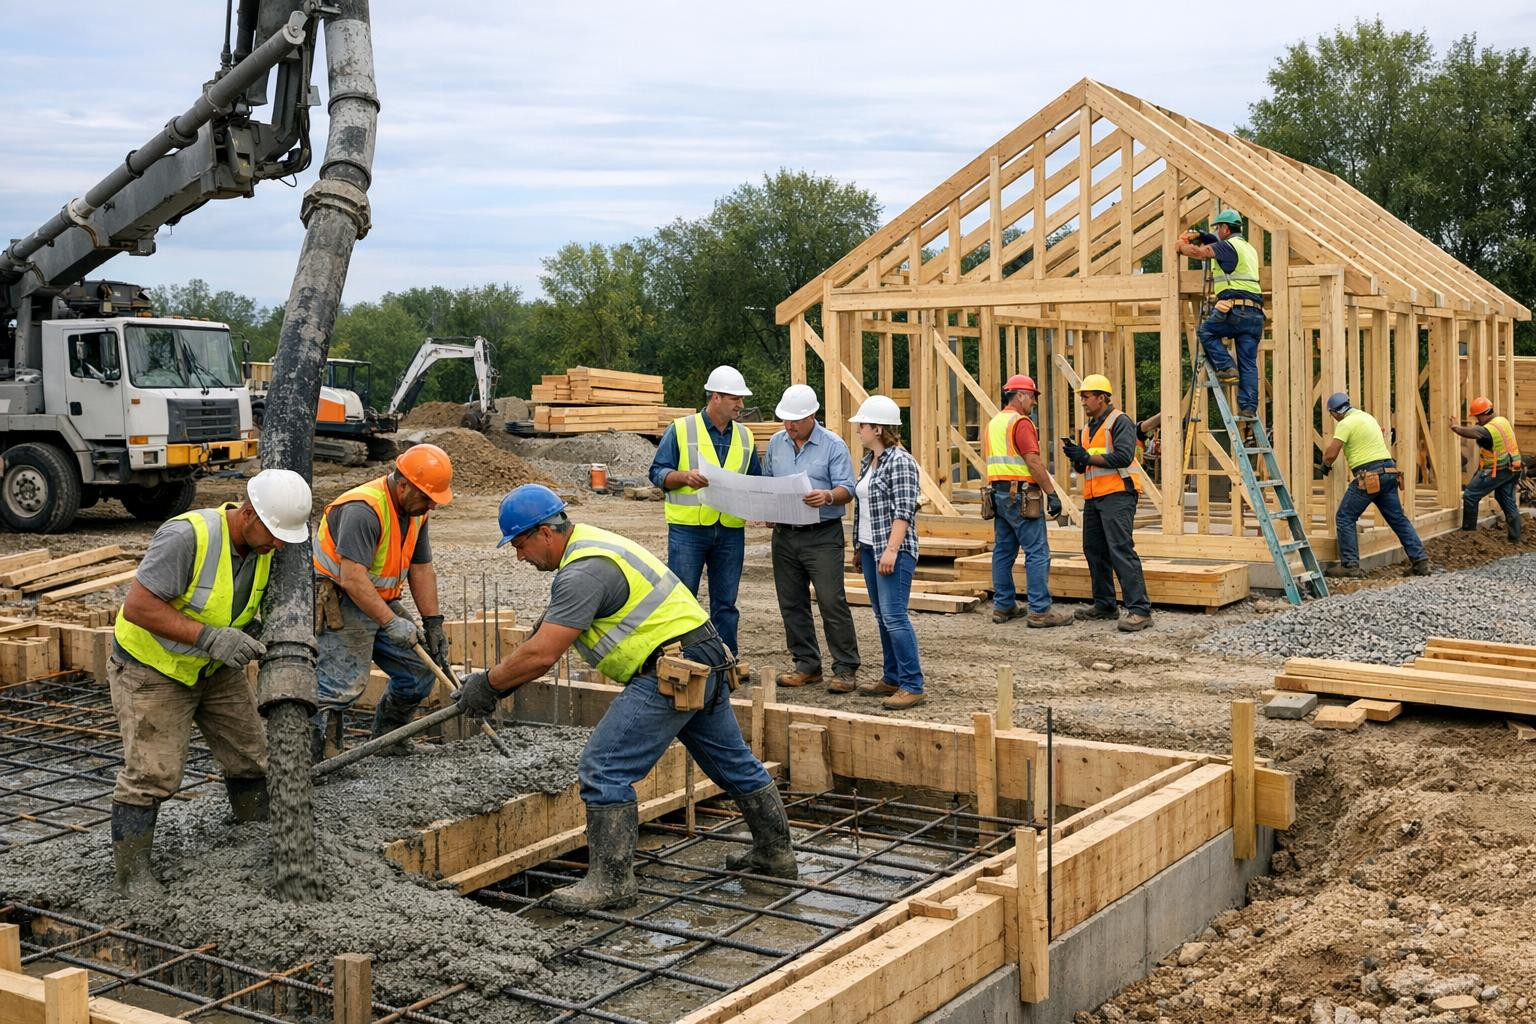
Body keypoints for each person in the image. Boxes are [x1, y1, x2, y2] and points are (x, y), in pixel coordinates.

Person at [455, 485, 795, 912]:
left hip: (673, 670)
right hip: (705, 659)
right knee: (733, 763)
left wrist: (486, 685)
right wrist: (498, 684)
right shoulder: (592, 547)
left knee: (604, 769)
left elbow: (542, 655)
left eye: (520, 545)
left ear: (545, 533)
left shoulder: (582, 572)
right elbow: (544, 637)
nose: (520, 557)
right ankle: (775, 854)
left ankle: (612, 882)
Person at [108, 469, 313, 897]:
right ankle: (131, 877)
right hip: (154, 669)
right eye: (274, 534)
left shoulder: (264, 545)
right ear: (249, 513)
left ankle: (252, 835)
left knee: (251, 756)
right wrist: (210, 637)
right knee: (153, 773)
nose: (279, 545)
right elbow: (138, 607)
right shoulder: (188, 536)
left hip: (213, 669)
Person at [311, 444, 455, 758]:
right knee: (339, 686)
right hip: (341, 599)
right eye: (427, 498)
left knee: (419, 671)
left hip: (379, 598)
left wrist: (433, 623)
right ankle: (317, 758)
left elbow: (421, 568)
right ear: (403, 486)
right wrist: (390, 622)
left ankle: (390, 739)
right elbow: (352, 578)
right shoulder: (364, 509)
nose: (432, 505)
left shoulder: (416, 512)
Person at [649, 365, 761, 658]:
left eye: (741, 399)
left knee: (726, 603)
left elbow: (755, 481)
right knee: (682, 598)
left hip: (730, 531)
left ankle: (725, 659)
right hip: (688, 531)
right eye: (735, 398)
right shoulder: (681, 429)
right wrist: (684, 477)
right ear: (715, 397)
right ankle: (682, 659)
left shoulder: (746, 437)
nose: (741, 405)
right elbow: (657, 473)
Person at [764, 384, 860, 691]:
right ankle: (806, 664)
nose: (789, 425)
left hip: (822, 535)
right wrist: (766, 509)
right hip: (785, 534)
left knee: (831, 601)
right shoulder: (776, 443)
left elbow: (848, 489)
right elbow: (768, 483)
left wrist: (828, 496)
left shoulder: (833, 445)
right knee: (791, 602)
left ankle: (845, 668)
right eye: (785, 419)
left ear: (812, 416)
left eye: (796, 420)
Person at [847, 395, 927, 710]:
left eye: (862, 425)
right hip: (870, 548)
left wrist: (891, 550)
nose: (859, 430)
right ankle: (892, 677)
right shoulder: (870, 461)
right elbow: (864, 508)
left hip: (893, 549)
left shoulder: (901, 462)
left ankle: (912, 684)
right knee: (883, 616)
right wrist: (859, 547)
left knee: (894, 616)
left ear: (878, 429)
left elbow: (904, 511)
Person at [1061, 374, 1152, 632]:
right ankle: (1105, 604)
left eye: (1086, 397)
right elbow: (1086, 465)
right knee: (1094, 549)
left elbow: (1123, 456)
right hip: (1094, 496)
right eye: (1081, 397)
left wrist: (1086, 457)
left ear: (1102, 398)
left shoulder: (1119, 421)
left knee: (1120, 549)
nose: (1082, 402)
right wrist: (1078, 458)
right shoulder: (1088, 428)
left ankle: (1140, 610)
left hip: (1118, 494)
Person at [985, 374, 1073, 628]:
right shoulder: (1021, 423)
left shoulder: (995, 422)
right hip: (1021, 495)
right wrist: (1051, 493)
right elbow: (1033, 461)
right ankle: (1040, 610)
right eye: (1032, 396)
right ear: (1020, 395)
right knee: (1037, 551)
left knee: (1003, 551)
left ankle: (1003, 606)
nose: (1034, 402)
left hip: (998, 494)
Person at [1320, 392, 1431, 578]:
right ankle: (1420, 561)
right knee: (1398, 518)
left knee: (1345, 516)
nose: (1333, 418)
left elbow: (1331, 453)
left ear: (1334, 412)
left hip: (1370, 475)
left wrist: (1325, 464)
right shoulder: (1367, 417)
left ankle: (1350, 565)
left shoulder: (1345, 423)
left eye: (1331, 414)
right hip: (1389, 472)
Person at [1176, 209, 1265, 418]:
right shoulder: (1248, 249)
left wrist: (1181, 246)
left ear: (1225, 228)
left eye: (1219, 228)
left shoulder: (1227, 246)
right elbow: (1216, 245)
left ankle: (1226, 365)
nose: (1217, 232)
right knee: (1248, 363)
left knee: (1206, 331)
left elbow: (1200, 253)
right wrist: (1201, 234)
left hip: (1235, 310)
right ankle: (1248, 407)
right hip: (1255, 315)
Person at [1450, 396, 1523, 543]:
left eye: (1477, 417)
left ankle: (1468, 533)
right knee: (1505, 499)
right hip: (1513, 467)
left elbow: (1474, 432)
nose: (1477, 420)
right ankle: (1515, 538)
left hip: (1499, 470)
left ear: (1484, 414)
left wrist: (1456, 427)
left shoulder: (1489, 429)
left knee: (1470, 495)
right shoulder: (1502, 421)